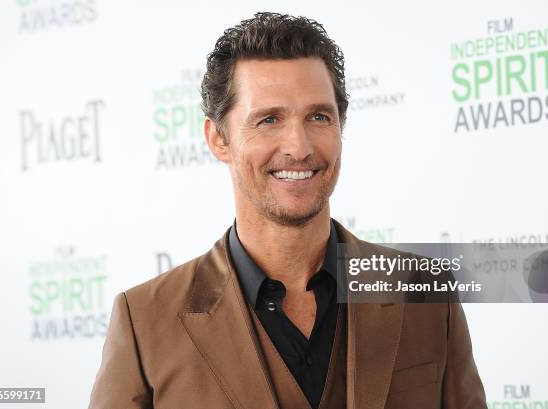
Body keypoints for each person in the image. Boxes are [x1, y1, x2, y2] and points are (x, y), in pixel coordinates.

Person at [88, 12, 487, 409]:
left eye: (318, 116)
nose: (299, 146)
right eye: (268, 120)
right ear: (218, 139)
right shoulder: (145, 322)